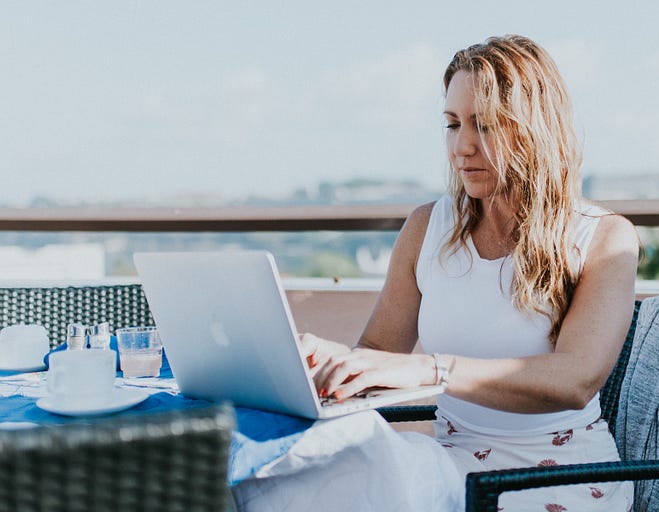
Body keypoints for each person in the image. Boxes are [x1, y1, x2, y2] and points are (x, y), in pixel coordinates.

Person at [235, 34, 638, 511]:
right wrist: (335, 361)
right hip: (450, 465)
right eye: (452, 124)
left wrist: (431, 369)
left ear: (533, 130)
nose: (462, 147)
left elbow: (576, 380)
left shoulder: (604, 239)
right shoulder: (428, 228)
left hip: (561, 483)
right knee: (283, 485)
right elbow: (382, 352)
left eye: (484, 126)